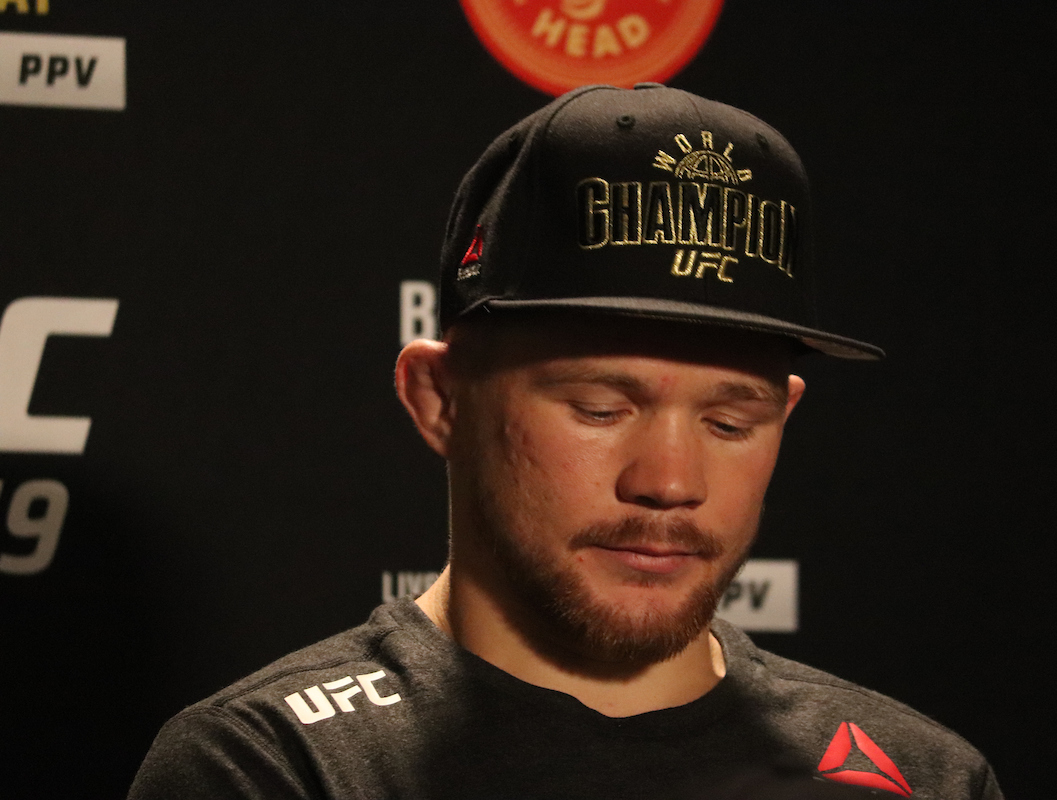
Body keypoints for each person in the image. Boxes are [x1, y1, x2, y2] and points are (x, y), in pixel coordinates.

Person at [128, 84, 1003, 800]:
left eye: (730, 423)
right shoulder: (275, 769)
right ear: (441, 400)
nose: (670, 482)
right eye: (599, 408)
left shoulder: (924, 777)